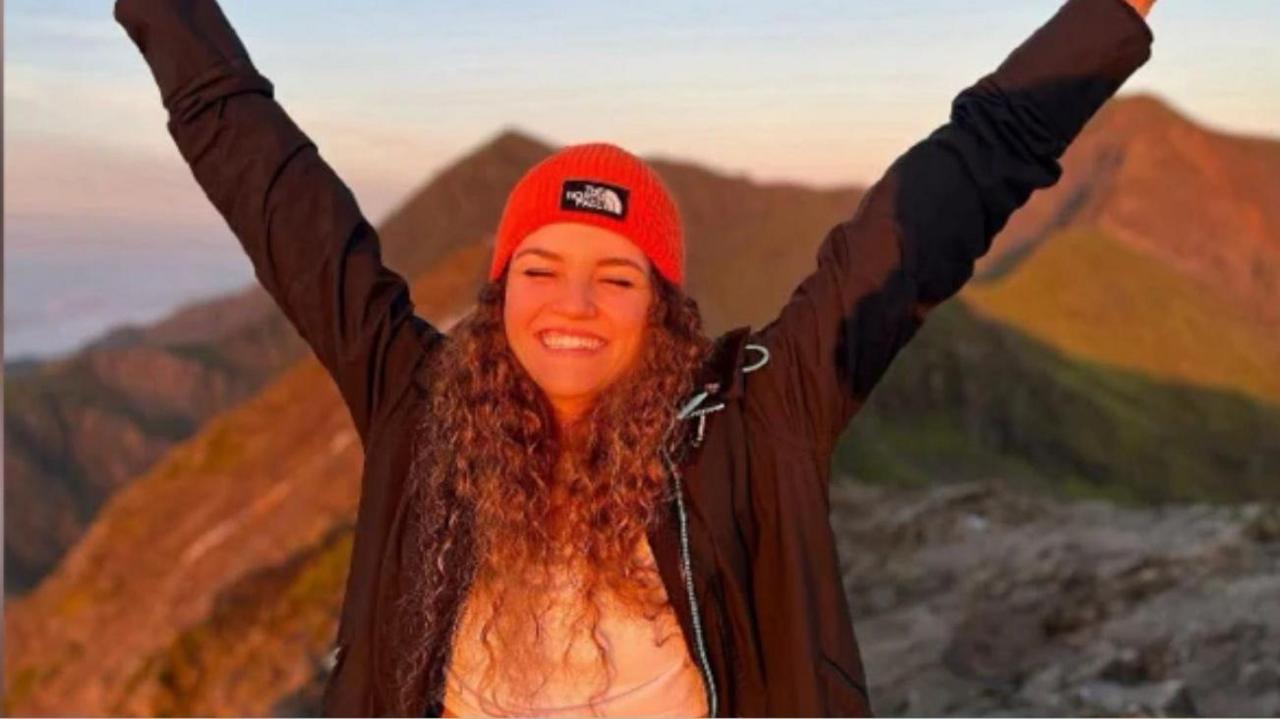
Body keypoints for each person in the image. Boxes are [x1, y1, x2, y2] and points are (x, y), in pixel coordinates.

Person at [113, 0, 1155, 715]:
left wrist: (1108, 14)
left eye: (617, 277)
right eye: (539, 268)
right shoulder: (415, 402)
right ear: (498, 289)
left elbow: (945, 194)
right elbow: (262, 173)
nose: (572, 304)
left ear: (662, 309)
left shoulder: (752, 420)